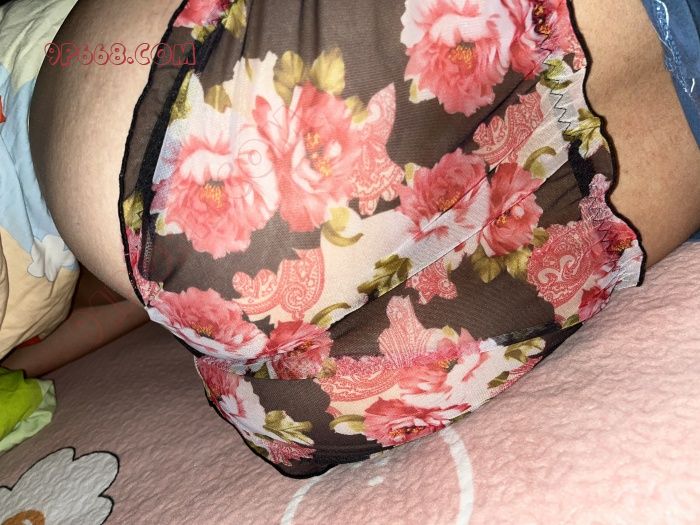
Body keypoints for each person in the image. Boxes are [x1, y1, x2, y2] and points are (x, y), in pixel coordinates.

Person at [2, 0, 699, 476]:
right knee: (293, 405)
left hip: (105, 87)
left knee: (243, 223)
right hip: (116, 223)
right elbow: (107, 313)